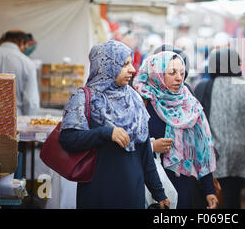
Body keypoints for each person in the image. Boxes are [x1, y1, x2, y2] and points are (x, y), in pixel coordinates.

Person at [58, 40, 170, 209]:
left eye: (131, 63)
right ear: (107, 65)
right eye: (125, 64)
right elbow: (68, 139)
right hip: (97, 192)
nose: (132, 69)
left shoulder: (134, 99)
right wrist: (105, 133)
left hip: (132, 192)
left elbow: (144, 151)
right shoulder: (84, 98)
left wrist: (158, 192)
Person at [133, 51, 218, 209]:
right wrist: (151, 147)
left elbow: (202, 149)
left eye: (181, 72)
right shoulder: (141, 102)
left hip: (182, 182)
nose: (179, 78)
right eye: (172, 72)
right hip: (148, 182)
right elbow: (127, 144)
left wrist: (209, 190)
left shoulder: (189, 104)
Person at [194, 47, 245, 209]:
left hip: (215, 152)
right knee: (235, 195)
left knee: (216, 193)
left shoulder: (203, 86)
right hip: (241, 151)